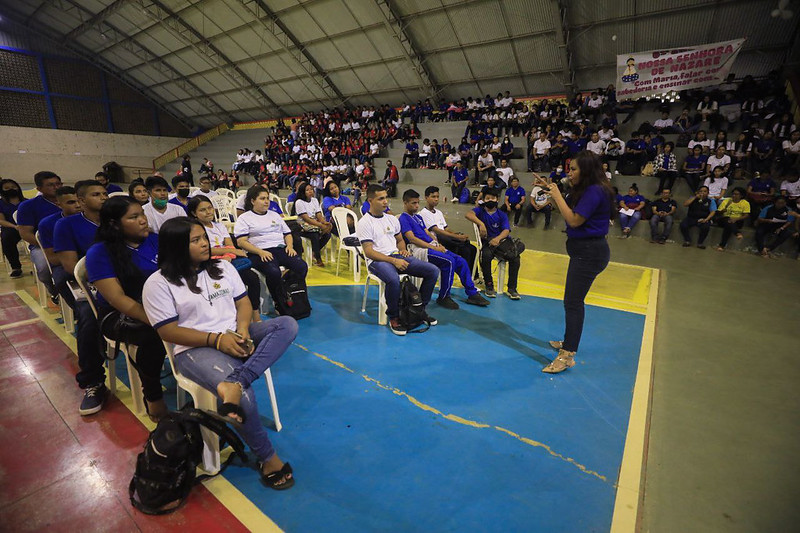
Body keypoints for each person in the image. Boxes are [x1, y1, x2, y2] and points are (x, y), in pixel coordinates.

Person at [142, 218, 297, 489]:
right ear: (175, 246)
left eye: (205, 237)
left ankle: (237, 381)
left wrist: (243, 331)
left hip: (233, 335)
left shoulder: (223, 267)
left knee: (287, 324)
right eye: (196, 240)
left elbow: (243, 302)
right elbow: (167, 331)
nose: (206, 243)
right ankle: (267, 457)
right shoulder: (158, 283)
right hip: (195, 349)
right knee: (244, 399)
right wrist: (216, 340)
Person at [84, 197, 168, 419]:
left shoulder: (155, 240)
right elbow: (117, 298)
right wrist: (157, 320)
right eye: (134, 217)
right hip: (120, 315)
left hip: (160, 306)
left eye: (142, 214)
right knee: (155, 334)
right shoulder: (99, 253)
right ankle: (153, 395)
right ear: (113, 224)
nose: (143, 220)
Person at [534, 151, 613, 374]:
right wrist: (552, 188)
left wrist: (557, 195)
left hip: (589, 253)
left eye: (574, 169)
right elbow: (567, 202)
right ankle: (569, 340)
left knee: (573, 302)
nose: (570, 173)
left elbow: (574, 220)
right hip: (583, 251)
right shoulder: (585, 189)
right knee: (572, 301)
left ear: (586, 171)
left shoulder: (595, 191)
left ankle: (568, 355)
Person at [51, 181, 112, 415]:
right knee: (88, 319)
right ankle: (93, 382)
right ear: (82, 200)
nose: (103, 198)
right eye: (96, 194)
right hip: (87, 283)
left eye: (105, 193)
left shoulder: (115, 219)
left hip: (120, 279)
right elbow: (69, 265)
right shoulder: (66, 225)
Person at [356, 185, 440, 335]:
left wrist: (403, 250)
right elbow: (369, 252)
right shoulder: (364, 222)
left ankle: (420, 310)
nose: (385, 201)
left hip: (397, 256)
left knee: (432, 271)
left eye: (386, 197)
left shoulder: (392, 219)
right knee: (393, 279)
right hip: (377, 261)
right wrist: (393, 261)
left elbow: (400, 239)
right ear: (370, 200)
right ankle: (394, 317)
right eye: (381, 198)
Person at [398, 189, 489, 310]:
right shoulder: (403, 218)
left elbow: (427, 232)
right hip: (420, 249)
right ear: (405, 203)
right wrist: (432, 246)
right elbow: (412, 238)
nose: (416, 206)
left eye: (417, 203)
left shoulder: (418, 217)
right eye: (413, 203)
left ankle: (472, 293)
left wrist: (437, 244)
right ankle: (444, 296)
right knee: (449, 261)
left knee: (460, 260)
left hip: (431, 245)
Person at [188, 195, 261, 320]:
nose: (208, 212)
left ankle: (255, 313)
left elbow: (230, 246)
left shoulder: (219, 226)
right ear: (194, 213)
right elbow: (205, 250)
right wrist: (227, 252)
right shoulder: (195, 230)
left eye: (210, 208)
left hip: (228, 260)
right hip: (208, 263)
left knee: (253, 278)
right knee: (224, 282)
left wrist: (228, 255)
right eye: (203, 210)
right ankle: (229, 316)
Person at [234, 187, 308, 305]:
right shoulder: (244, 218)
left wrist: (289, 246)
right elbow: (241, 242)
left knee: (301, 266)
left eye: (267, 198)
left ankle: (293, 293)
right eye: (262, 198)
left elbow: (287, 233)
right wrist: (260, 252)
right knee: (274, 272)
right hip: (258, 252)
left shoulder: (275, 215)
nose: (266, 201)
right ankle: (278, 300)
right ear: (253, 201)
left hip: (280, 249)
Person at [465, 187, 521, 299]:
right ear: (484, 200)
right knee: (485, 256)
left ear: (497, 199)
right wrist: (481, 224)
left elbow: (506, 230)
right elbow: (468, 215)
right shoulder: (480, 211)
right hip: (487, 243)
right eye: (487, 198)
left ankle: (512, 288)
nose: (490, 200)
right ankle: (489, 285)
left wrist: (498, 239)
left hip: (501, 242)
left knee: (515, 258)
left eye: (493, 198)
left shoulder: (501, 214)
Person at [16, 171, 62, 300]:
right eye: (50, 185)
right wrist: (48, 246)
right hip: (42, 245)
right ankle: (55, 292)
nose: (56, 187)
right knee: (44, 268)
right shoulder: (28, 206)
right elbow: (25, 233)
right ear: (39, 189)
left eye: (58, 184)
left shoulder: (71, 201)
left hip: (70, 242)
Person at [420, 186, 476, 270]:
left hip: (446, 238)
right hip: (438, 241)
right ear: (426, 198)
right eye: (433, 197)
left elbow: (446, 228)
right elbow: (438, 231)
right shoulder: (424, 213)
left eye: (437, 197)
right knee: (465, 250)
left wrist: (457, 234)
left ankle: (474, 275)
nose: (436, 199)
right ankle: (467, 275)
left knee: (473, 248)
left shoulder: (439, 212)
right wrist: (457, 237)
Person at [294, 181, 332, 267]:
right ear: (303, 192)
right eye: (307, 190)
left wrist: (324, 222)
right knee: (314, 234)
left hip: (314, 223)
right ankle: (318, 258)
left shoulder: (314, 200)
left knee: (327, 233)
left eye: (311, 189)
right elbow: (306, 218)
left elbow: (318, 214)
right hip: (302, 225)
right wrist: (320, 225)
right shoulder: (299, 202)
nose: (310, 191)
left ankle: (314, 251)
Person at [0, 179, 27, 278]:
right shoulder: (1, 204)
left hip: (28, 227)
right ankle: (16, 267)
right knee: (6, 238)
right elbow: (1, 220)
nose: (11, 189)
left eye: (13, 187)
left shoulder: (27, 202)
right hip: (11, 227)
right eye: (7, 188)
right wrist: (15, 226)